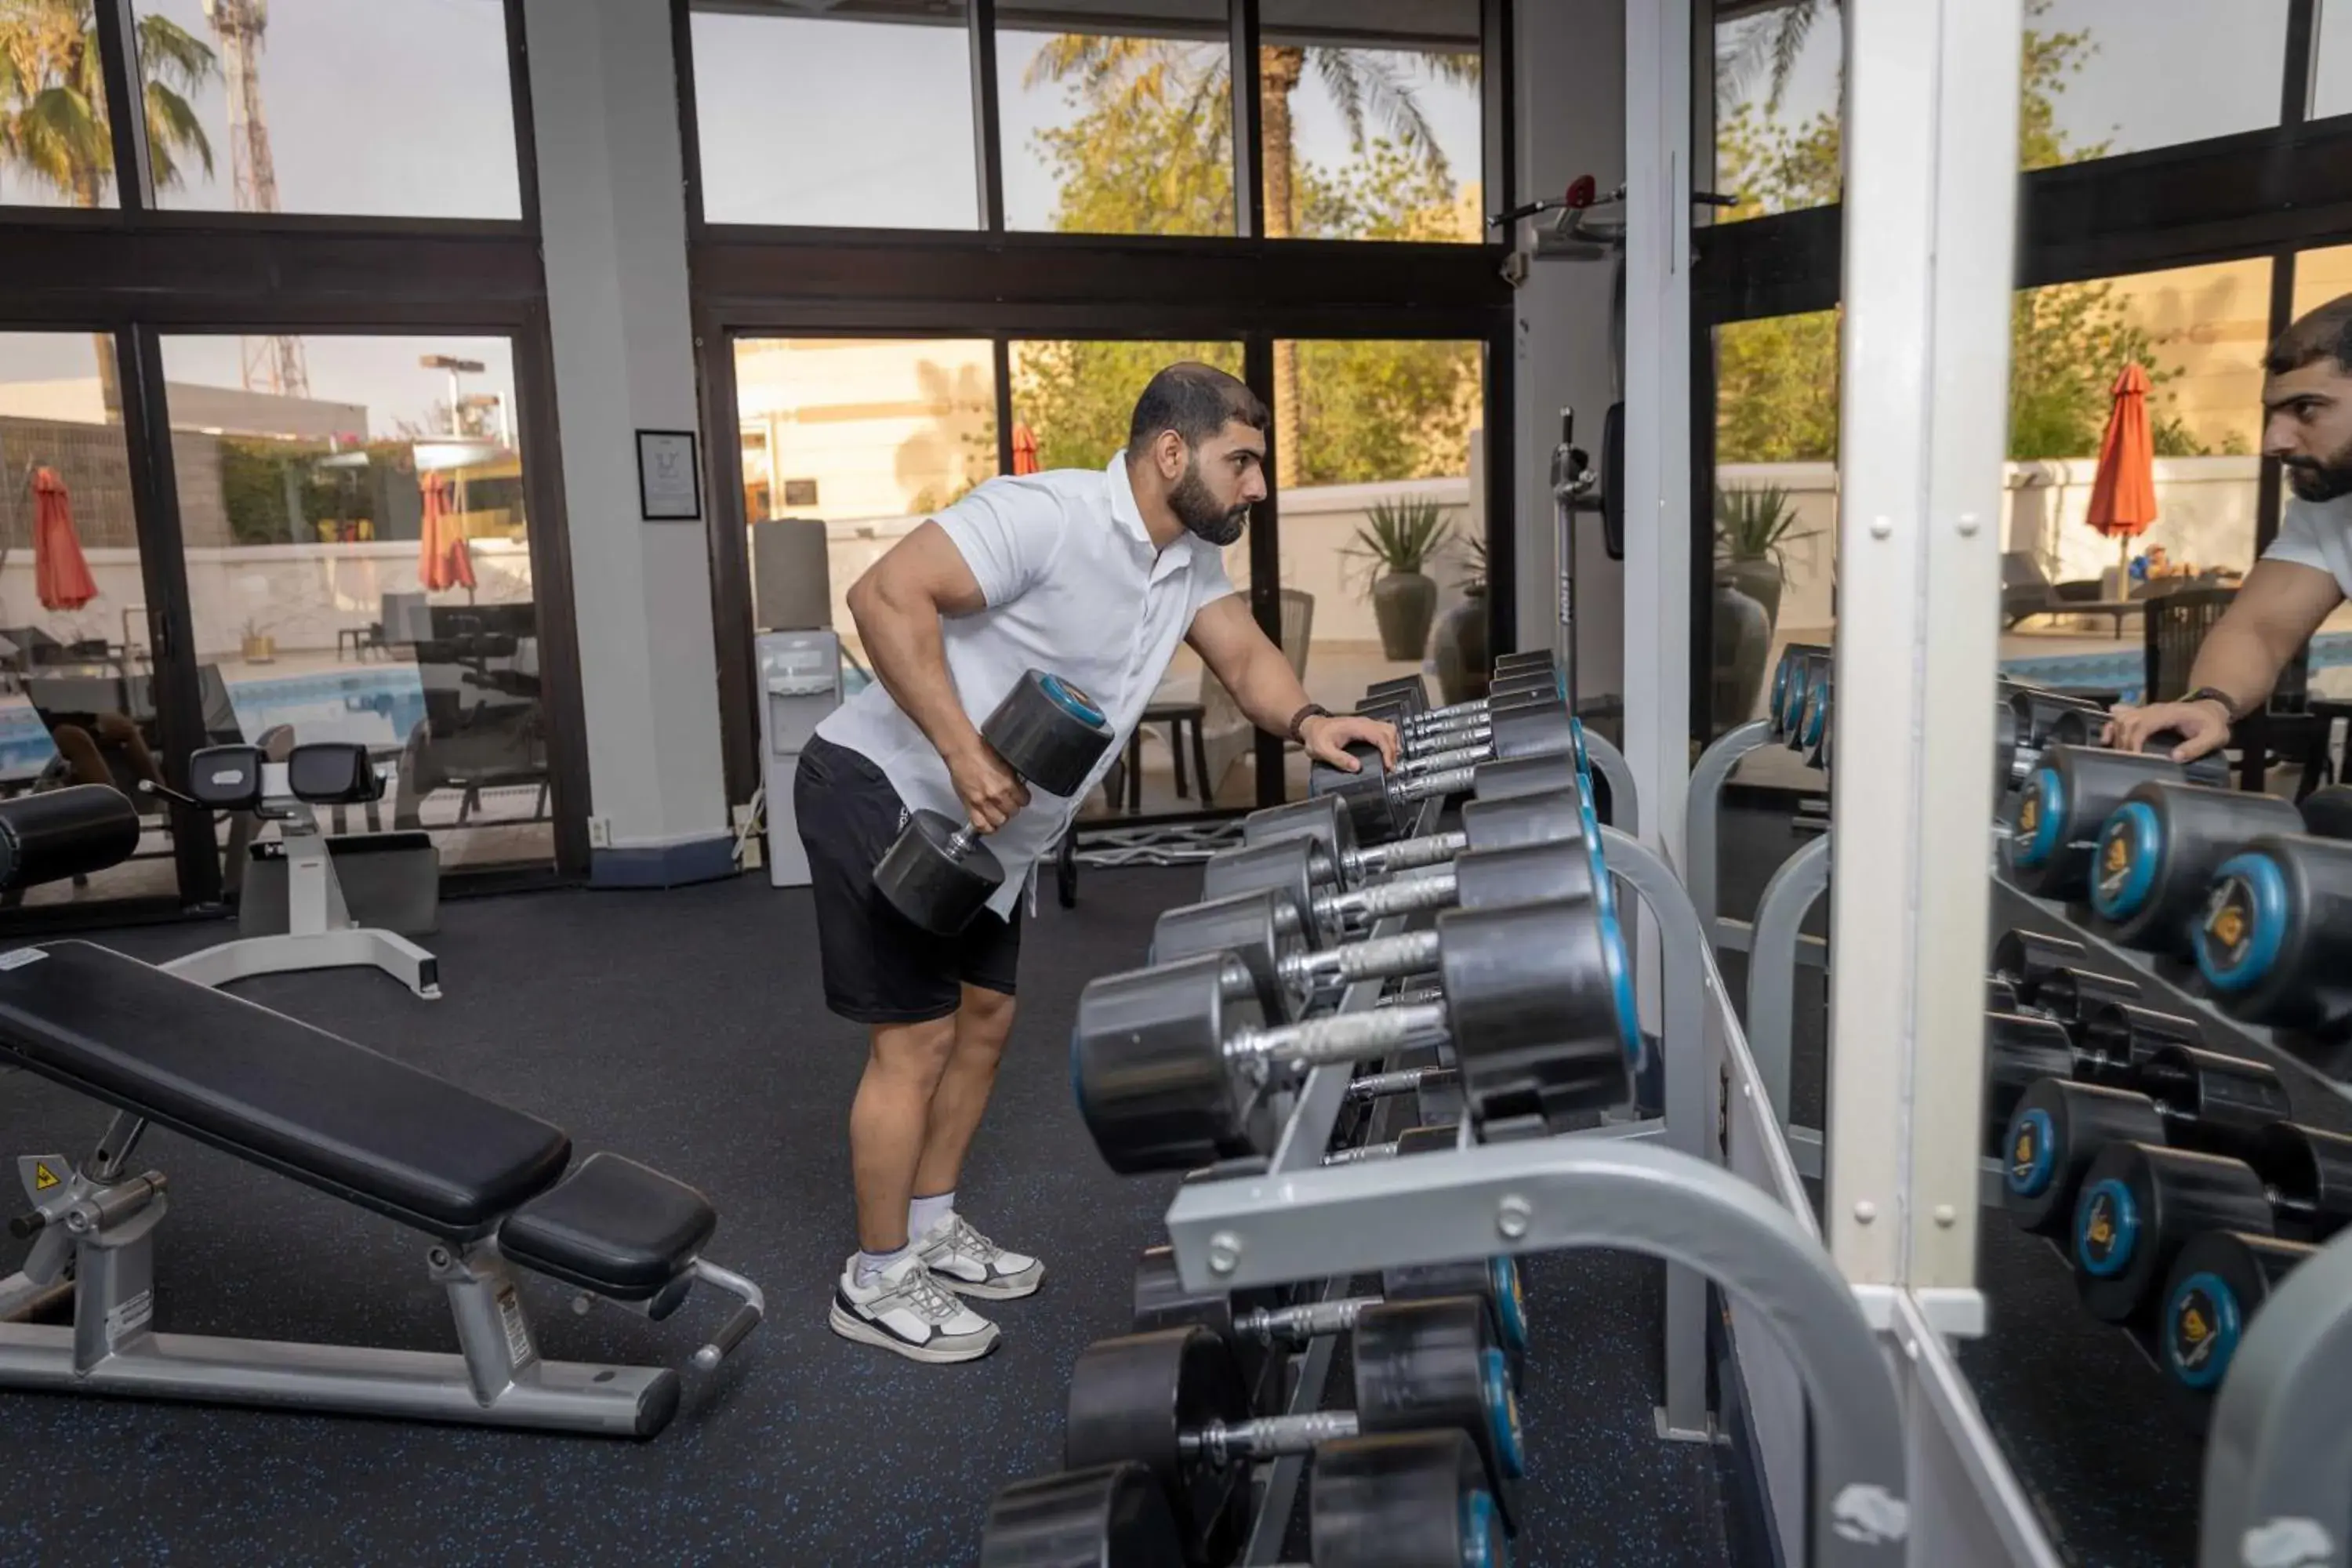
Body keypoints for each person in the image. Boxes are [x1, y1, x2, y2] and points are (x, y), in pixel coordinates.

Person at [794, 362, 1402, 1363]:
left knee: (986, 1021)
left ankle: (934, 1221)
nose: (1256, 486)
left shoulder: (1186, 566)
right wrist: (960, 748)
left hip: (991, 830)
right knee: (919, 1040)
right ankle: (874, 1275)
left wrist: (1309, 718)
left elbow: (1247, 660)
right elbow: (883, 592)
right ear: (1173, 451)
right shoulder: (1045, 514)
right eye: (1240, 461)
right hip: (887, 787)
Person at [2108, 293, 2352, 762]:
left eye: (2306, 409)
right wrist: (2210, 704)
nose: (2273, 441)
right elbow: (2259, 629)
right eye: (2274, 413)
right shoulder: (2328, 507)